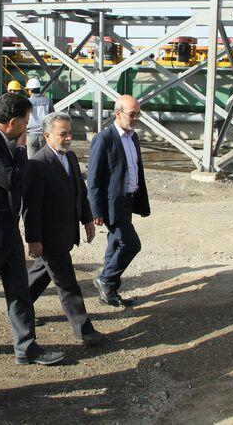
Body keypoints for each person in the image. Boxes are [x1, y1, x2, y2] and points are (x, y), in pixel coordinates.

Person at [0, 93, 65, 366]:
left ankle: (26, 347)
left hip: (9, 230)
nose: (27, 127)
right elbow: (10, 179)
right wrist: (21, 150)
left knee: (19, 292)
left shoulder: (2, 140)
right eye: (25, 121)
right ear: (12, 122)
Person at [24, 112, 105, 345]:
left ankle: (19, 307)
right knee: (67, 283)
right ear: (47, 135)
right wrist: (34, 239)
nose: (68, 138)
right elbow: (30, 207)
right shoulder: (38, 163)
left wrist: (87, 219)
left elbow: (79, 189)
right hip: (50, 236)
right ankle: (84, 330)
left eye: (70, 133)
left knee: (41, 275)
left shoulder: (69, 157)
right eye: (63, 134)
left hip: (66, 231)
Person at [88, 95, 150, 308]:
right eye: (132, 114)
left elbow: (134, 169)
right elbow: (93, 178)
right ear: (118, 114)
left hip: (128, 201)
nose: (136, 118)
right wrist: (95, 210)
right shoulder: (104, 139)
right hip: (111, 205)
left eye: (138, 114)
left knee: (115, 244)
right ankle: (105, 279)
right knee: (131, 244)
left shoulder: (133, 137)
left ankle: (109, 291)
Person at [24, 77, 54, 158]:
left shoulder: (26, 102)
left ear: (30, 90)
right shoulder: (48, 101)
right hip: (44, 135)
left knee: (32, 160)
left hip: (31, 135)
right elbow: (52, 118)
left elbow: (23, 119)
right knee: (44, 159)